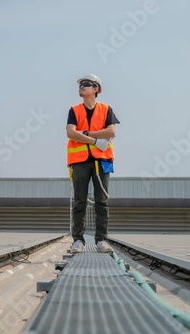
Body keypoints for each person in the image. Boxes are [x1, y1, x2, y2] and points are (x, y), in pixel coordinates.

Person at [66, 73, 120, 254]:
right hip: (80, 161)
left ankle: (101, 240)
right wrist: (96, 140)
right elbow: (71, 133)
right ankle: (78, 241)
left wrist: (86, 133)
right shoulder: (74, 110)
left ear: (96, 89)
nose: (81, 86)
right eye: (80, 84)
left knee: (101, 202)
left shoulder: (106, 109)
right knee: (79, 201)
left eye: (86, 84)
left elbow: (112, 131)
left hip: (101, 161)